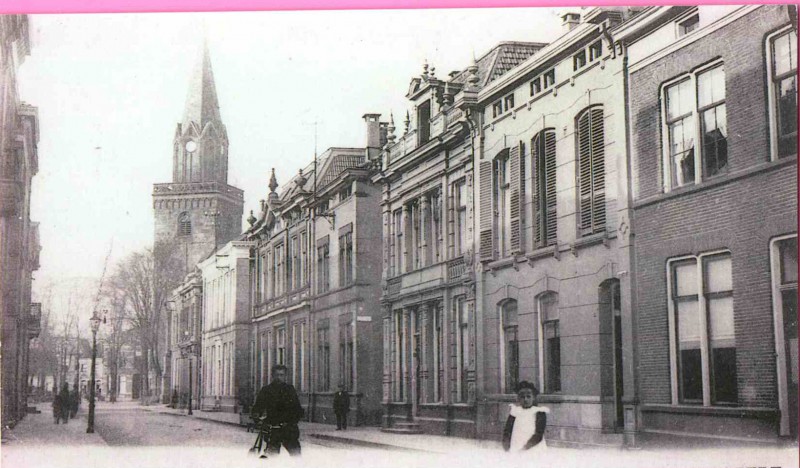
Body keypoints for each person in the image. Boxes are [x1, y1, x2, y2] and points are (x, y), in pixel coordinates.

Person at [251, 365, 304, 458]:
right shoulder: (266, 390)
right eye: (277, 375)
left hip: (288, 429)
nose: (279, 377)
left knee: (296, 455)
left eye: (281, 375)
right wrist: (257, 418)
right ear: (272, 376)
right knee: (271, 456)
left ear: (285, 376)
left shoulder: (290, 390)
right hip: (273, 429)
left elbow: (297, 409)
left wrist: (293, 421)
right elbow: (257, 407)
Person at [502, 381, 548, 452]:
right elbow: (507, 431)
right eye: (522, 397)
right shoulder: (515, 411)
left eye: (528, 396)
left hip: (533, 447)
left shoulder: (538, 412)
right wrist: (506, 447)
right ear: (518, 399)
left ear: (533, 398)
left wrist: (525, 448)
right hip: (516, 445)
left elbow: (539, 434)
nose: (525, 399)